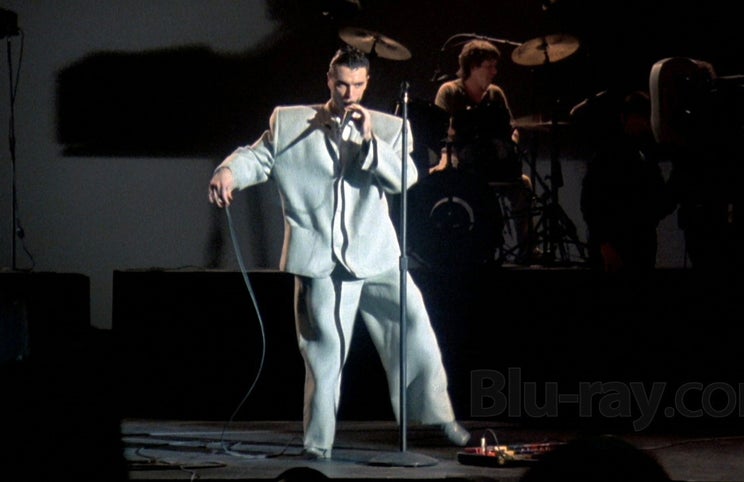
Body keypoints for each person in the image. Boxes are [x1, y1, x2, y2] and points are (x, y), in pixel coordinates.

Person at [208, 45, 470, 460]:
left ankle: (435, 419)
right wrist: (228, 171)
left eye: (358, 86)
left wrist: (369, 142)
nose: (349, 93)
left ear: (367, 85)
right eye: (342, 84)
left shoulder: (390, 128)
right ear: (330, 80)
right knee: (324, 351)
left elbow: (404, 178)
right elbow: (257, 158)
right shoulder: (289, 121)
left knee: (414, 327)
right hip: (320, 258)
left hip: (377, 253)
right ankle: (318, 444)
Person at [431, 38, 540, 265]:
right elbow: (437, 133)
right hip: (462, 166)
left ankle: (527, 250)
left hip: (494, 164)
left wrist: (510, 145)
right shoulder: (449, 92)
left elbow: (512, 129)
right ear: (472, 67)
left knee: (524, 184)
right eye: (489, 67)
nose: (494, 72)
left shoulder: (495, 94)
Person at [578, 89, 675, 275]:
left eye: (645, 119)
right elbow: (590, 203)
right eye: (639, 118)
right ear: (624, 118)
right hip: (615, 245)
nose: (644, 124)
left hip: (640, 244)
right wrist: (605, 244)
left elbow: (659, 203)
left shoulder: (645, 155)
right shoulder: (608, 154)